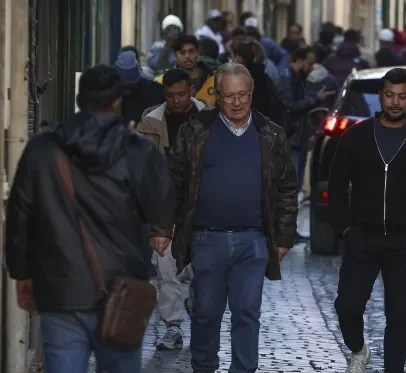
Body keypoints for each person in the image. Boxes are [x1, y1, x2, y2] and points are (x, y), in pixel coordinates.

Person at [6, 64, 173, 373]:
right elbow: (160, 208)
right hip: (122, 290)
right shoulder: (138, 150)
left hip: (60, 289)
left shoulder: (42, 149)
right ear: (117, 101)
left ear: (80, 99)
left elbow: (20, 215)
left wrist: (21, 272)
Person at [151, 63, 298, 373]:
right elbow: (172, 183)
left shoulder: (270, 134)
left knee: (247, 313)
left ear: (252, 94)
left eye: (243, 94)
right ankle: (204, 367)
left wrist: (283, 237)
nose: (236, 102)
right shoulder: (195, 131)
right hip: (206, 238)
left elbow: (286, 188)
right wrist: (162, 228)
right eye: (229, 95)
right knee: (206, 313)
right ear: (216, 95)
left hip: (254, 239)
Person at [328, 68, 406, 373]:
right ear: (380, 96)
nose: (395, 102)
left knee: (399, 313)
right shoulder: (355, 137)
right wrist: (345, 228)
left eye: (402, 96)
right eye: (390, 95)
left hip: (402, 241)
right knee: (347, 306)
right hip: (362, 238)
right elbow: (337, 185)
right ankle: (359, 349)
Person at [137, 68, 209, 350]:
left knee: (200, 269)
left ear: (191, 90)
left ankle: (197, 310)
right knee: (165, 267)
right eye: (170, 96)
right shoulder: (151, 121)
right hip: (164, 206)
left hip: (203, 205)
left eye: (181, 94)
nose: (176, 100)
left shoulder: (211, 118)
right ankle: (173, 326)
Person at [280, 47, 336, 190]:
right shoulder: (288, 78)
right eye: (309, 64)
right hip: (292, 134)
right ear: (299, 61)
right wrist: (315, 99)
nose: (311, 68)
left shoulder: (297, 77)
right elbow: (291, 106)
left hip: (298, 134)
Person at [230, 40, 287, 128]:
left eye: (233, 57)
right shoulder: (262, 76)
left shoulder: (241, 80)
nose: (232, 61)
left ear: (239, 57)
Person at [155, 35, 217, 106]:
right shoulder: (161, 82)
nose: (187, 56)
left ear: (197, 52)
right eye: (182, 52)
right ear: (175, 55)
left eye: (191, 51)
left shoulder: (214, 81)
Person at [115, 50, 164, 125]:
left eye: (129, 87)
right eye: (124, 87)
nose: (126, 91)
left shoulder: (155, 92)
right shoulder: (108, 94)